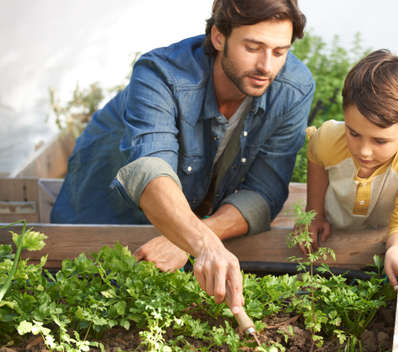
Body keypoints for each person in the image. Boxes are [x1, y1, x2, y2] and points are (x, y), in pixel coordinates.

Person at [51, 0, 315, 316]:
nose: (267, 66)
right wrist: (202, 243)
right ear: (219, 37)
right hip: (106, 208)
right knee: (78, 303)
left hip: (184, 221)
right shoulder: (160, 74)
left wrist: (189, 238)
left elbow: (266, 191)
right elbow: (151, 170)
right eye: (253, 47)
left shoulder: (293, 88)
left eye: (279, 51)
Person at [299, 49, 398, 288]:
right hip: (335, 231)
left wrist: (396, 252)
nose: (364, 150)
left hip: (387, 235)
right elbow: (316, 157)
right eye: (353, 133)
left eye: (380, 141)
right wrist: (315, 214)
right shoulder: (328, 139)